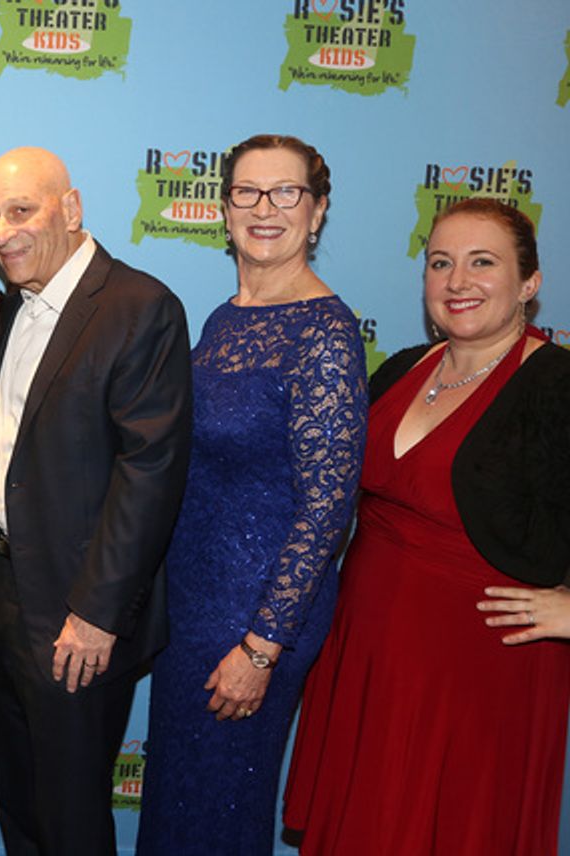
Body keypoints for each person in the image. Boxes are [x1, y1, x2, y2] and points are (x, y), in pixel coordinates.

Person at [284, 197, 570, 855]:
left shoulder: (557, 386)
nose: (457, 281)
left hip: (477, 673)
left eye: (482, 262)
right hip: (366, 651)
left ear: (530, 283)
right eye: (440, 263)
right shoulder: (401, 368)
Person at [136, 134, 367, 855]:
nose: (265, 208)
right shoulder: (224, 317)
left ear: (317, 211)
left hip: (256, 617)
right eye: (247, 191)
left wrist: (263, 647)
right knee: (179, 806)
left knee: (218, 813)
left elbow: (328, 509)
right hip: (191, 607)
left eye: (286, 192)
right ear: (226, 208)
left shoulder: (326, 335)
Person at [0, 146, 192, 856]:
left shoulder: (139, 307)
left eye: (21, 210)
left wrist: (98, 613)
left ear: (70, 209)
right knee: (19, 803)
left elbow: (150, 471)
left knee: (70, 818)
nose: (2, 232)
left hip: (78, 612)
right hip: (6, 592)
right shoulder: (14, 306)